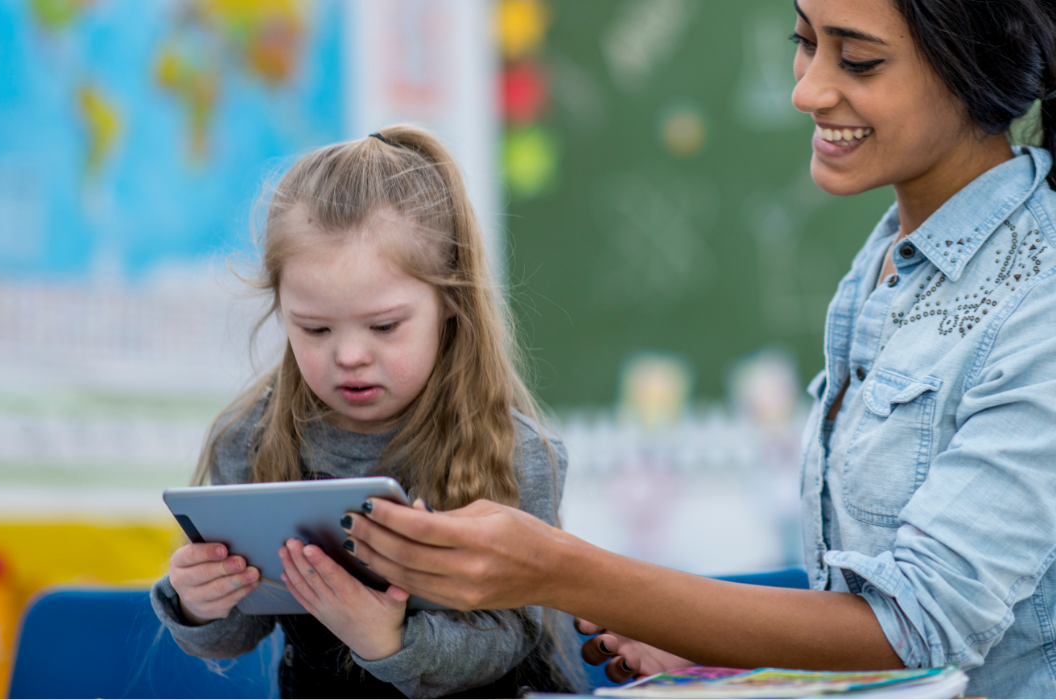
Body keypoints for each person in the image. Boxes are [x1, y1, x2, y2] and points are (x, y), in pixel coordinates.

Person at [340, 0, 1056, 696]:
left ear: (974, 68)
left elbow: (919, 628)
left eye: (860, 60)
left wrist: (554, 568)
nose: (806, 89)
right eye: (804, 41)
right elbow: (876, 614)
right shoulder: (892, 257)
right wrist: (724, 650)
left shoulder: (1038, 295)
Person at [149, 125, 572, 698]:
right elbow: (235, 631)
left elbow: (508, 636)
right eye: (314, 328)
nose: (348, 356)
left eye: (384, 326)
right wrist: (198, 601)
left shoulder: (513, 451)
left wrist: (389, 639)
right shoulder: (251, 438)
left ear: (449, 301)